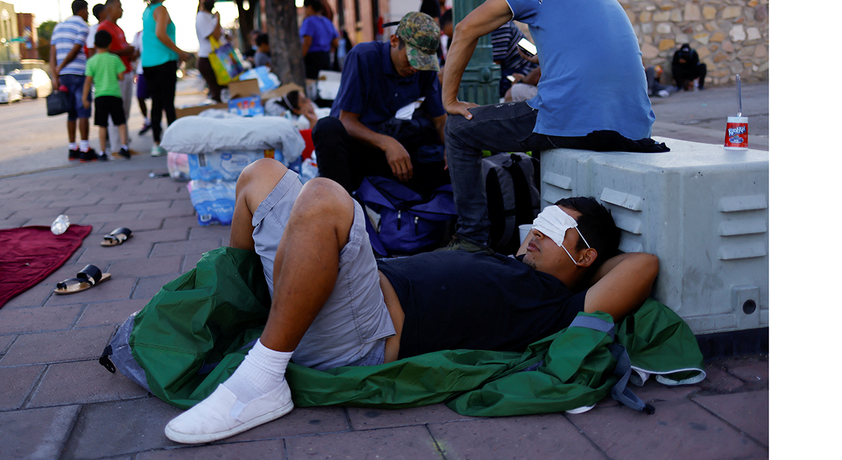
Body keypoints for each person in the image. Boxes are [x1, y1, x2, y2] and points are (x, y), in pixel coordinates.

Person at [162, 158, 659, 444]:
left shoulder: (556, 305)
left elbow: (643, 264)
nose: (536, 234)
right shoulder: (507, 264)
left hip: (362, 333)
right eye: (541, 221)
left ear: (586, 254)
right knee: (260, 174)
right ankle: (242, 311)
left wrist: (588, 268)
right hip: (335, 299)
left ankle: (260, 380)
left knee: (326, 197)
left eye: (556, 231)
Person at [440, 0, 664, 253]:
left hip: (573, 119)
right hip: (634, 127)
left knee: (458, 128)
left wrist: (449, 99)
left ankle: (471, 238)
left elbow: (466, 29)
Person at [311, 12, 449, 196]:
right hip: (359, 147)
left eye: (422, 63)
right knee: (326, 127)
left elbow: (440, 120)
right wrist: (386, 143)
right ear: (393, 41)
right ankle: (339, 205)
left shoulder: (423, 71)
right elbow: (347, 121)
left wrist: (452, 148)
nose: (414, 69)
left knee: (446, 162)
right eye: (411, 60)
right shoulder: (364, 57)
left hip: (394, 147)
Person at [142, 0, 192, 157]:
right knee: (168, 104)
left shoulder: (147, 11)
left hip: (148, 63)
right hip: (164, 62)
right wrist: (180, 52)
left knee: (156, 103)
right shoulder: (161, 9)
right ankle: (174, 144)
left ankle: (157, 144)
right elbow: (161, 34)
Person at [49, 0, 98, 163]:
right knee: (83, 109)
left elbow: (52, 53)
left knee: (71, 113)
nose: (88, 14)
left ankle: (72, 148)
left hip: (63, 76)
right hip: (79, 73)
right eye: (87, 11)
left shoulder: (58, 27)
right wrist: (61, 65)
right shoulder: (83, 26)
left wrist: (55, 74)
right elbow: (76, 48)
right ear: (83, 10)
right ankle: (85, 149)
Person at [81, 30, 131, 160]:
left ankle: (103, 152)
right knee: (120, 122)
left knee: (102, 124)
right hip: (114, 94)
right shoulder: (115, 59)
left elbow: (88, 81)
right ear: (110, 44)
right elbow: (121, 76)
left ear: (95, 44)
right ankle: (124, 147)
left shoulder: (91, 61)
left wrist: (84, 98)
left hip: (100, 96)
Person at [97, 0, 137, 138]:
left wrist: (132, 54)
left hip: (126, 71)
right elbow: (103, 52)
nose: (121, 10)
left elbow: (123, 48)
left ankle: (124, 144)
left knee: (124, 111)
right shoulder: (103, 28)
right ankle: (116, 147)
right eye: (118, 7)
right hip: (115, 76)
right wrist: (125, 52)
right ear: (109, 10)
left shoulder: (118, 28)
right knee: (116, 112)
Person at [299, 0, 339, 80]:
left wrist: (300, 58)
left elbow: (307, 43)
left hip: (312, 60)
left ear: (309, 7)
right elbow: (336, 42)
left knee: (313, 85)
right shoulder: (327, 21)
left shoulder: (309, 21)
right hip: (326, 57)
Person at [196, 0, 224, 102]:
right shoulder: (202, 17)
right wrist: (218, 20)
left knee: (221, 90)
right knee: (217, 92)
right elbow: (214, 37)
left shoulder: (210, 17)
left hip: (216, 57)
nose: (209, 1)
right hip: (208, 59)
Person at [131, 30, 151, 135]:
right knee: (140, 96)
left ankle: (156, 122)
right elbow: (135, 51)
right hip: (142, 70)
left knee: (157, 99)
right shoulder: (138, 34)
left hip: (155, 69)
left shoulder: (157, 31)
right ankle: (147, 120)